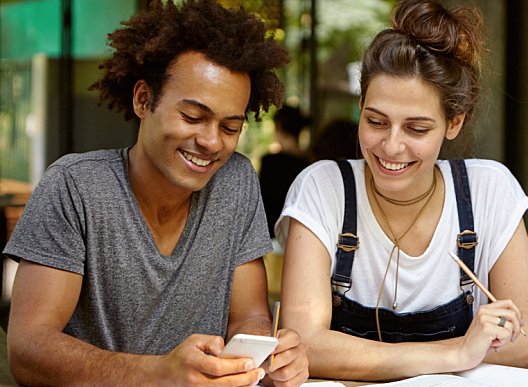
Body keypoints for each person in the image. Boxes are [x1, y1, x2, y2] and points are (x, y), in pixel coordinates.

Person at [3, 1, 309, 386]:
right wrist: (158, 373)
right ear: (144, 100)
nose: (211, 142)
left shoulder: (236, 180)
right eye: (193, 117)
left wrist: (267, 351)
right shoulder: (75, 186)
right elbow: (28, 350)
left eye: (230, 127)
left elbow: (247, 316)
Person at [276, 0, 528, 381]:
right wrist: (459, 352)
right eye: (376, 121)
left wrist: (355, 356)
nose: (392, 146)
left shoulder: (489, 191)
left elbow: (525, 345)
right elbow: (303, 344)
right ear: (361, 105)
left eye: (417, 129)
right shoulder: (324, 188)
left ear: (454, 123)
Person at [259, 106, 310, 238]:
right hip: (302, 237)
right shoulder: (310, 163)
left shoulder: (270, 163)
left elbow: (263, 205)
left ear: (278, 126)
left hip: (273, 238)